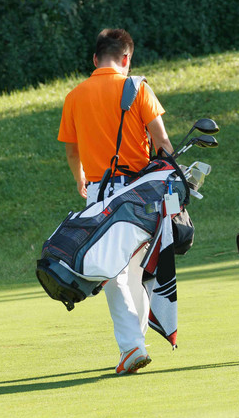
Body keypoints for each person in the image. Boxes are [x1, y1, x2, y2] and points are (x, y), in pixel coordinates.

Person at [58, 28, 174, 375]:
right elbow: (161, 140)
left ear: (95, 59)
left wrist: (79, 177)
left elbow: (72, 149)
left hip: (101, 192)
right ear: (126, 59)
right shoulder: (138, 87)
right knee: (137, 270)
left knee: (111, 273)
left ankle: (132, 347)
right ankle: (135, 345)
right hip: (142, 192)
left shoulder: (75, 95)